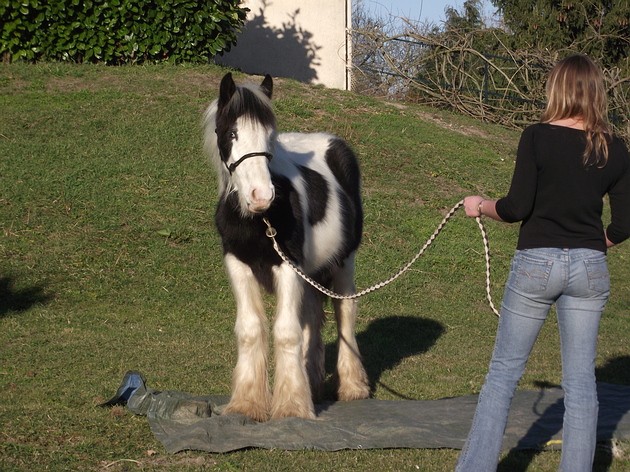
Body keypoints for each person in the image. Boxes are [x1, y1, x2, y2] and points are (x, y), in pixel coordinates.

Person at [455, 54, 630, 471]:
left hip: (536, 264)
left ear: (558, 89)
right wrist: (596, 244)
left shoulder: (536, 136)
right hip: (590, 268)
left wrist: (480, 205)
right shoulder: (616, 146)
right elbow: (624, 224)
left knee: (502, 376)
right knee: (582, 384)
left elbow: (516, 208)